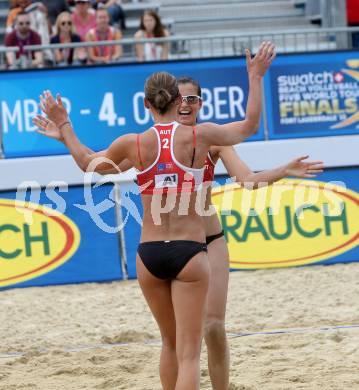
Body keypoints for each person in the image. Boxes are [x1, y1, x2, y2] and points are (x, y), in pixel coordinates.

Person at [176, 77, 324, 389]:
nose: (186, 104)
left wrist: (283, 171)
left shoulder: (213, 139)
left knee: (214, 326)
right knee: (180, 336)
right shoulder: (158, 142)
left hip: (210, 240)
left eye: (192, 99)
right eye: (180, 99)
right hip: (175, 243)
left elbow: (246, 178)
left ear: (200, 104)